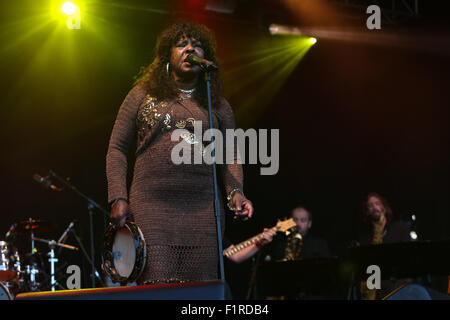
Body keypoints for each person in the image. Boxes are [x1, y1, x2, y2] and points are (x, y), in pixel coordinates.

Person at [106, 22, 253, 284]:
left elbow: (230, 152)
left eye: (197, 45)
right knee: (158, 286)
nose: (190, 49)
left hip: (204, 212)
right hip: (152, 209)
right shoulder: (141, 94)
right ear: (167, 54)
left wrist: (236, 192)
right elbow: (117, 148)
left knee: (200, 291)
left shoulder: (217, 104)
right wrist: (118, 196)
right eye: (181, 43)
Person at [356, 192, 411, 299]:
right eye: (370, 205)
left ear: (384, 207)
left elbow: (407, 259)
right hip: (375, 290)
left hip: (397, 288)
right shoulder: (365, 238)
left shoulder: (399, 229)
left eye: (377, 203)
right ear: (367, 211)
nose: (374, 207)